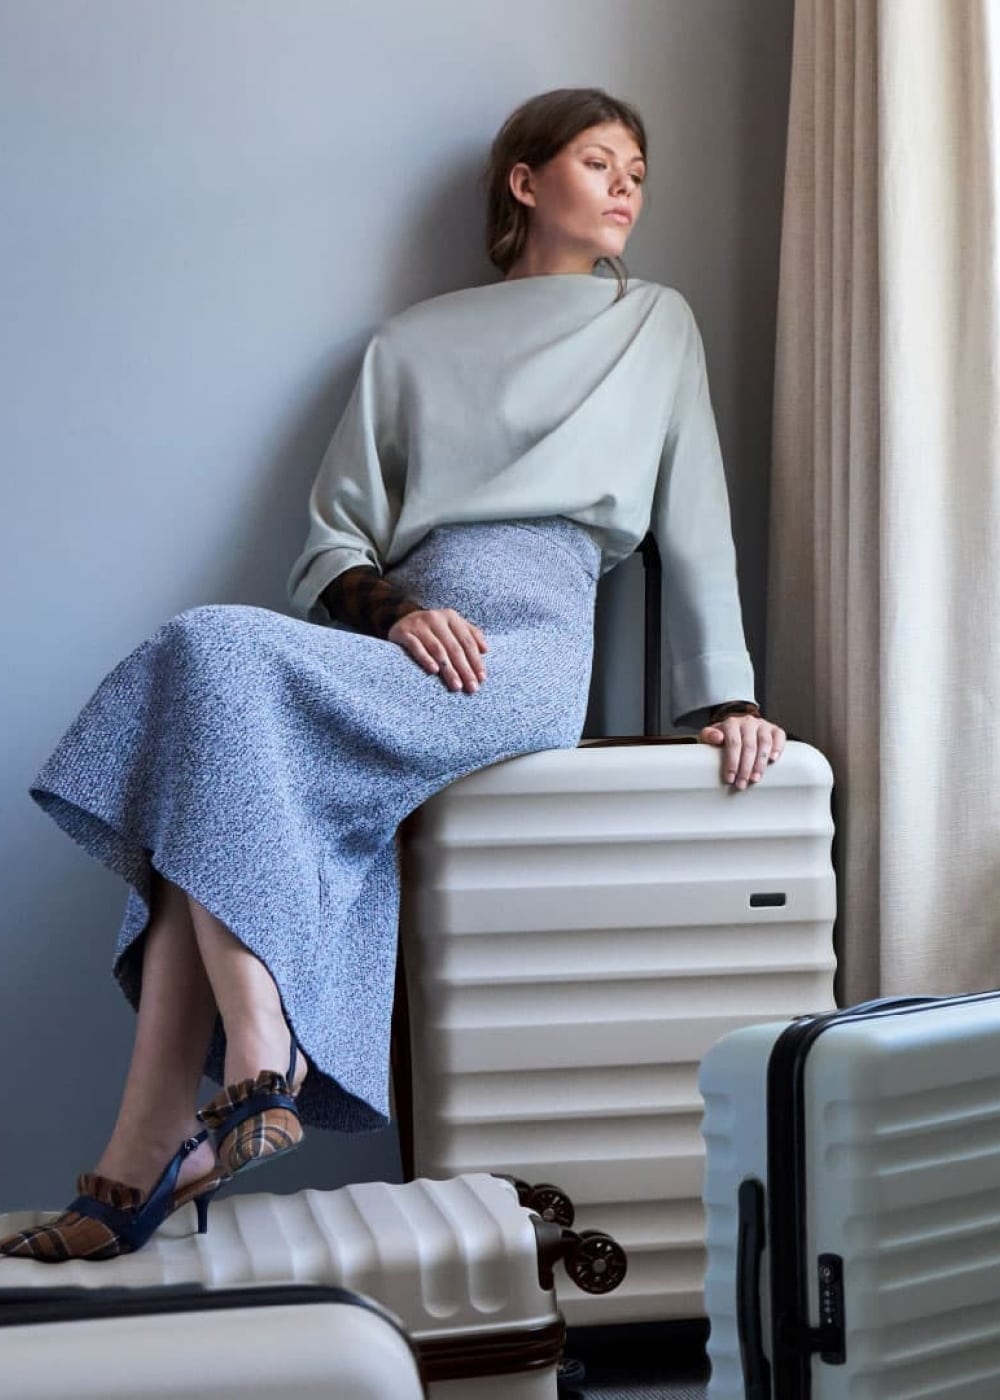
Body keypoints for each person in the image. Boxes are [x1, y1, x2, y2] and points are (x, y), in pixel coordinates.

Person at [0, 87, 785, 1263]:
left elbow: (698, 526)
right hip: (410, 634)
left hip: (527, 646)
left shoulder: (657, 324)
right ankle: (188, 1117)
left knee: (204, 678)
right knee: (207, 684)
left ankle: (208, 1096)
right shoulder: (409, 343)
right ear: (524, 182)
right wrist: (406, 609)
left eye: (639, 168)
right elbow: (331, 545)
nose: (629, 183)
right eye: (597, 160)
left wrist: (721, 693)